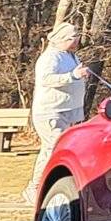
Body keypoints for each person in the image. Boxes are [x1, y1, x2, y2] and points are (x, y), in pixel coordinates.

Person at [26, 21, 95, 204]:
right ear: (62, 39)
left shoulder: (71, 56)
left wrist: (80, 74)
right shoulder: (50, 57)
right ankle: (36, 188)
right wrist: (73, 76)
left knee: (51, 150)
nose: (76, 41)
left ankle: (42, 186)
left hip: (67, 111)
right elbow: (46, 79)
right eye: (72, 38)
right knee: (54, 148)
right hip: (50, 112)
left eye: (77, 37)